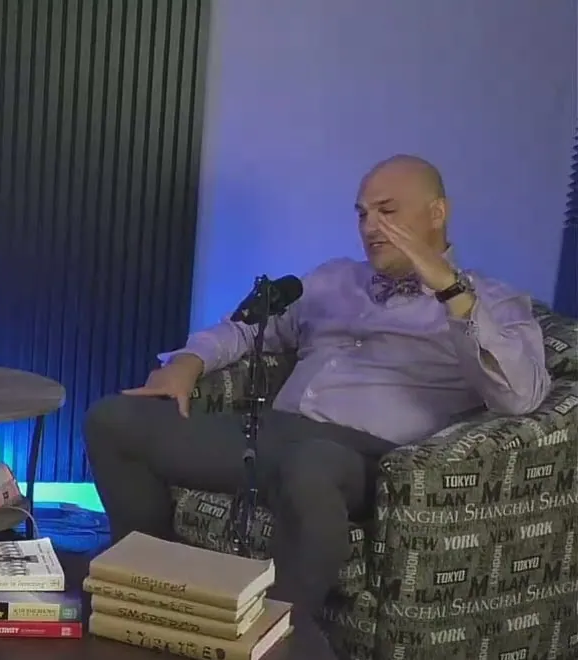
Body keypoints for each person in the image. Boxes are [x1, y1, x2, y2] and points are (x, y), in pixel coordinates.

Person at [84, 154, 551, 625]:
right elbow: (247, 326)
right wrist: (188, 362)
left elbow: (520, 396)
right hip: (273, 434)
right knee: (113, 421)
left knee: (310, 464)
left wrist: (451, 292)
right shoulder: (333, 279)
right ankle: (147, 596)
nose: (370, 227)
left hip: (368, 458)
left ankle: (273, 642)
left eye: (387, 211)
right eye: (362, 213)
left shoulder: (490, 301)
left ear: (437, 213)